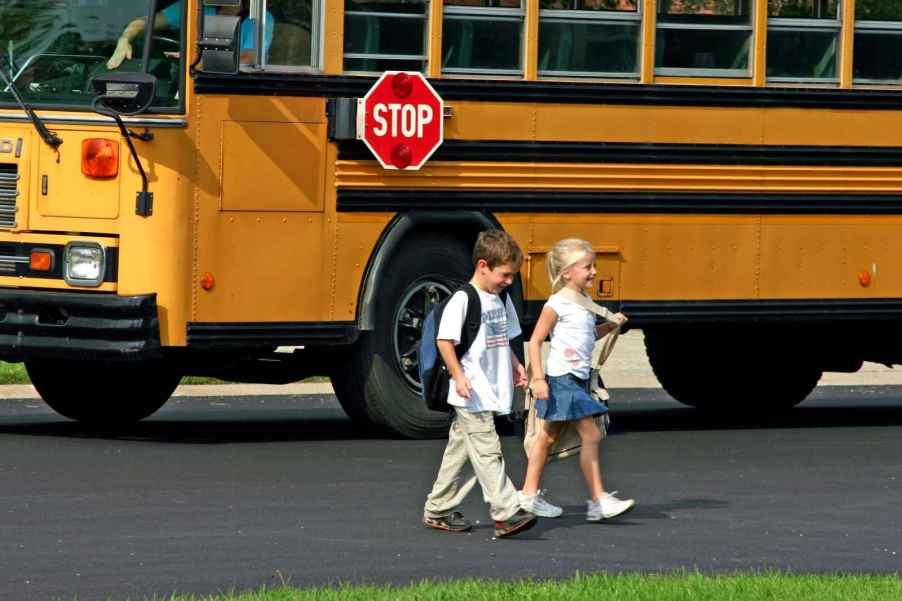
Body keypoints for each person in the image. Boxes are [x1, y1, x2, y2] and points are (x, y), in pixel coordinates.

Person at [423, 230, 537, 539]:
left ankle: (438, 508)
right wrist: (458, 376)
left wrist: (516, 365)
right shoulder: (464, 299)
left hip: (490, 388)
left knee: (460, 454)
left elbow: (503, 338)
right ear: (483, 266)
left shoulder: (501, 298)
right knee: (488, 451)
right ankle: (506, 512)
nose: (509, 281)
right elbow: (445, 341)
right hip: (471, 391)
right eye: (505, 275)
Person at [519, 238, 636, 522]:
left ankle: (528, 494)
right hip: (563, 380)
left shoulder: (584, 303)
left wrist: (610, 325)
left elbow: (588, 336)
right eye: (588, 267)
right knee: (591, 434)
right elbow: (535, 341)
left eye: (594, 265)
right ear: (567, 273)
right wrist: (538, 379)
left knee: (547, 437)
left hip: (577, 379)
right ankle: (598, 501)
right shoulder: (556, 303)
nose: (594, 271)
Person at [106, 0, 274, 70]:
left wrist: (196, 60)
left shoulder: (258, 17)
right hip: (187, 83)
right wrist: (125, 38)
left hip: (230, 90)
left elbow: (248, 58)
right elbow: (145, 22)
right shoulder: (193, 6)